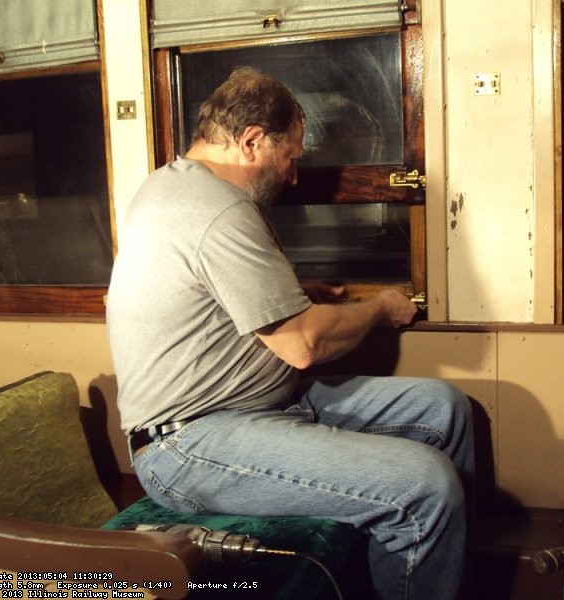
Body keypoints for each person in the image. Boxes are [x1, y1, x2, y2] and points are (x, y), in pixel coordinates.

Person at [106, 66, 475, 600]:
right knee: (426, 485)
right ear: (253, 141)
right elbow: (304, 345)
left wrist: (289, 288)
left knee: (442, 407)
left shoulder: (175, 184)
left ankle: (432, 568)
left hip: (264, 403)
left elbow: (204, 282)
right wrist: (380, 309)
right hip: (189, 441)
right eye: (292, 157)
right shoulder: (216, 208)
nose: (294, 175)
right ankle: (415, 534)